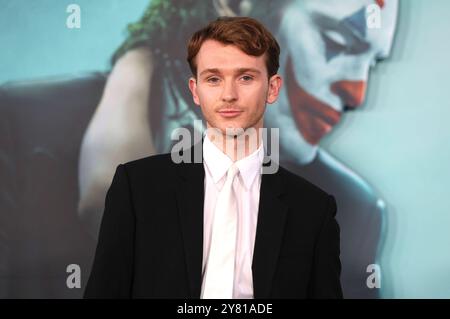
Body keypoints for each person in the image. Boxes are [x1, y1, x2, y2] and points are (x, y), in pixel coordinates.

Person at [79, 0, 397, 298]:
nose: (357, 92)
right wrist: (135, 67)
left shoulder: (331, 209)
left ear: (272, 86)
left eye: (246, 77)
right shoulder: (137, 184)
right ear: (195, 88)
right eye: (337, 43)